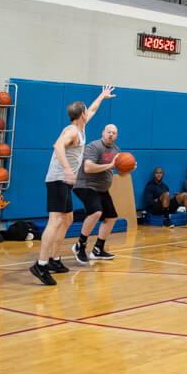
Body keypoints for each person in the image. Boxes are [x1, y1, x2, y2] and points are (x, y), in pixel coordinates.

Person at [32, 86, 114, 285]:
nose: (90, 112)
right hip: (58, 180)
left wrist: (102, 96)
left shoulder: (81, 126)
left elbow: (93, 109)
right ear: (81, 115)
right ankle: (41, 265)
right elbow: (57, 146)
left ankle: (54, 259)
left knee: (67, 219)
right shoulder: (72, 132)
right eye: (87, 111)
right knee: (55, 221)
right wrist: (68, 170)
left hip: (64, 182)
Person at [73, 124, 121, 264]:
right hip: (85, 185)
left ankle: (98, 249)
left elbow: (118, 172)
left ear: (116, 136)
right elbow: (88, 167)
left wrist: (127, 168)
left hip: (101, 189)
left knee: (111, 217)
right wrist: (110, 166)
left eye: (114, 132)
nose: (111, 134)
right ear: (103, 133)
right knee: (96, 212)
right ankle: (80, 245)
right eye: (109, 132)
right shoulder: (94, 146)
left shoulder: (116, 150)